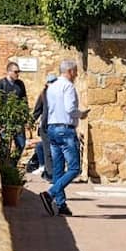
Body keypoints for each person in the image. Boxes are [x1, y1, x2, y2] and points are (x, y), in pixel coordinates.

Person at [39, 59, 87, 217]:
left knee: (58, 169)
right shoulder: (68, 86)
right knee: (74, 168)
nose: (77, 75)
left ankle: (61, 204)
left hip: (52, 128)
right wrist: (81, 114)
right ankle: (50, 193)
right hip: (65, 129)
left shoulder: (51, 88)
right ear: (70, 71)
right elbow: (70, 109)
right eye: (76, 72)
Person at [25, 74, 57, 176]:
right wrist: (30, 123)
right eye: (50, 83)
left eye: (54, 83)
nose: (52, 85)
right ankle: (50, 173)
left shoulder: (60, 94)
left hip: (57, 126)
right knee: (48, 150)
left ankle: (53, 172)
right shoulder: (43, 94)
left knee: (55, 150)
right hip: (46, 126)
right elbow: (37, 110)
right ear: (46, 84)